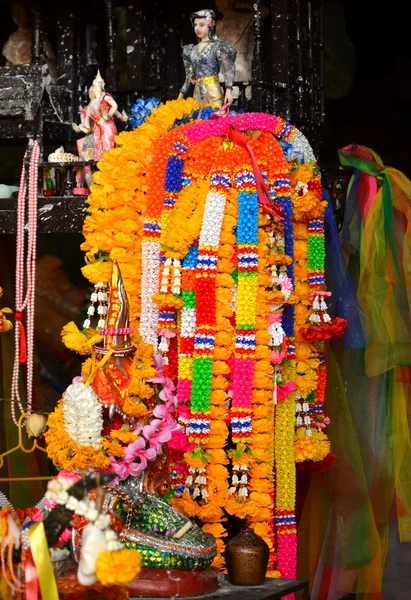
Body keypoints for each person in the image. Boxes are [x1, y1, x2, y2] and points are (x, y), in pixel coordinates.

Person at [178, 9, 237, 107]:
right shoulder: (191, 50)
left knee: (214, 118)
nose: (197, 28)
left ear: (210, 25)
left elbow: (229, 69)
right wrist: (181, 94)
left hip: (213, 91)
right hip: (197, 93)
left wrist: (228, 90)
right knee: (198, 119)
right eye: (195, 25)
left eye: (201, 25)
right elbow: (190, 74)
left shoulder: (217, 47)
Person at [72, 71, 128, 161]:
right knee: (100, 154)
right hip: (97, 129)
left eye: (96, 86)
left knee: (108, 151)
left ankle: (109, 170)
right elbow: (88, 128)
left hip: (107, 127)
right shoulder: (90, 106)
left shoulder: (104, 97)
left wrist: (110, 115)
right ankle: (103, 172)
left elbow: (114, 107)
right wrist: (80, 129)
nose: (94, 89)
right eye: (94, 87)